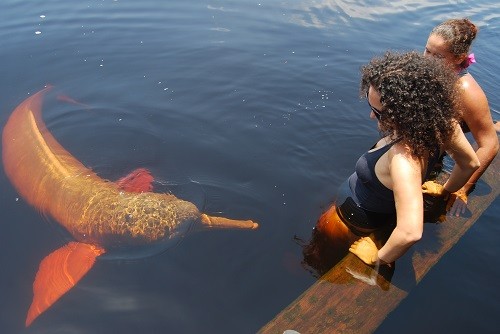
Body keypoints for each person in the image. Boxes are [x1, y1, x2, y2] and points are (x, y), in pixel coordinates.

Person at [311, 51, 479, 269]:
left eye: (379, 112)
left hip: (347, 228)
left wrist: (378, 258)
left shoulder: (403, 158)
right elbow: (470, 163)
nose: (372, 116)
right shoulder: (444, 124)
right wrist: (445, 190)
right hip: (369, 210)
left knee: (310, 263)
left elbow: (410, 232)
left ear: (405, 112)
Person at [423, 18, 499, 216]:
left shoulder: (465, 91)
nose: (428, 60)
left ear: (459, 58)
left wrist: (461, 188)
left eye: (437, 56)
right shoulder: (427, 71)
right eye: (427, 51)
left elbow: (489, 144)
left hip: (442, 150)